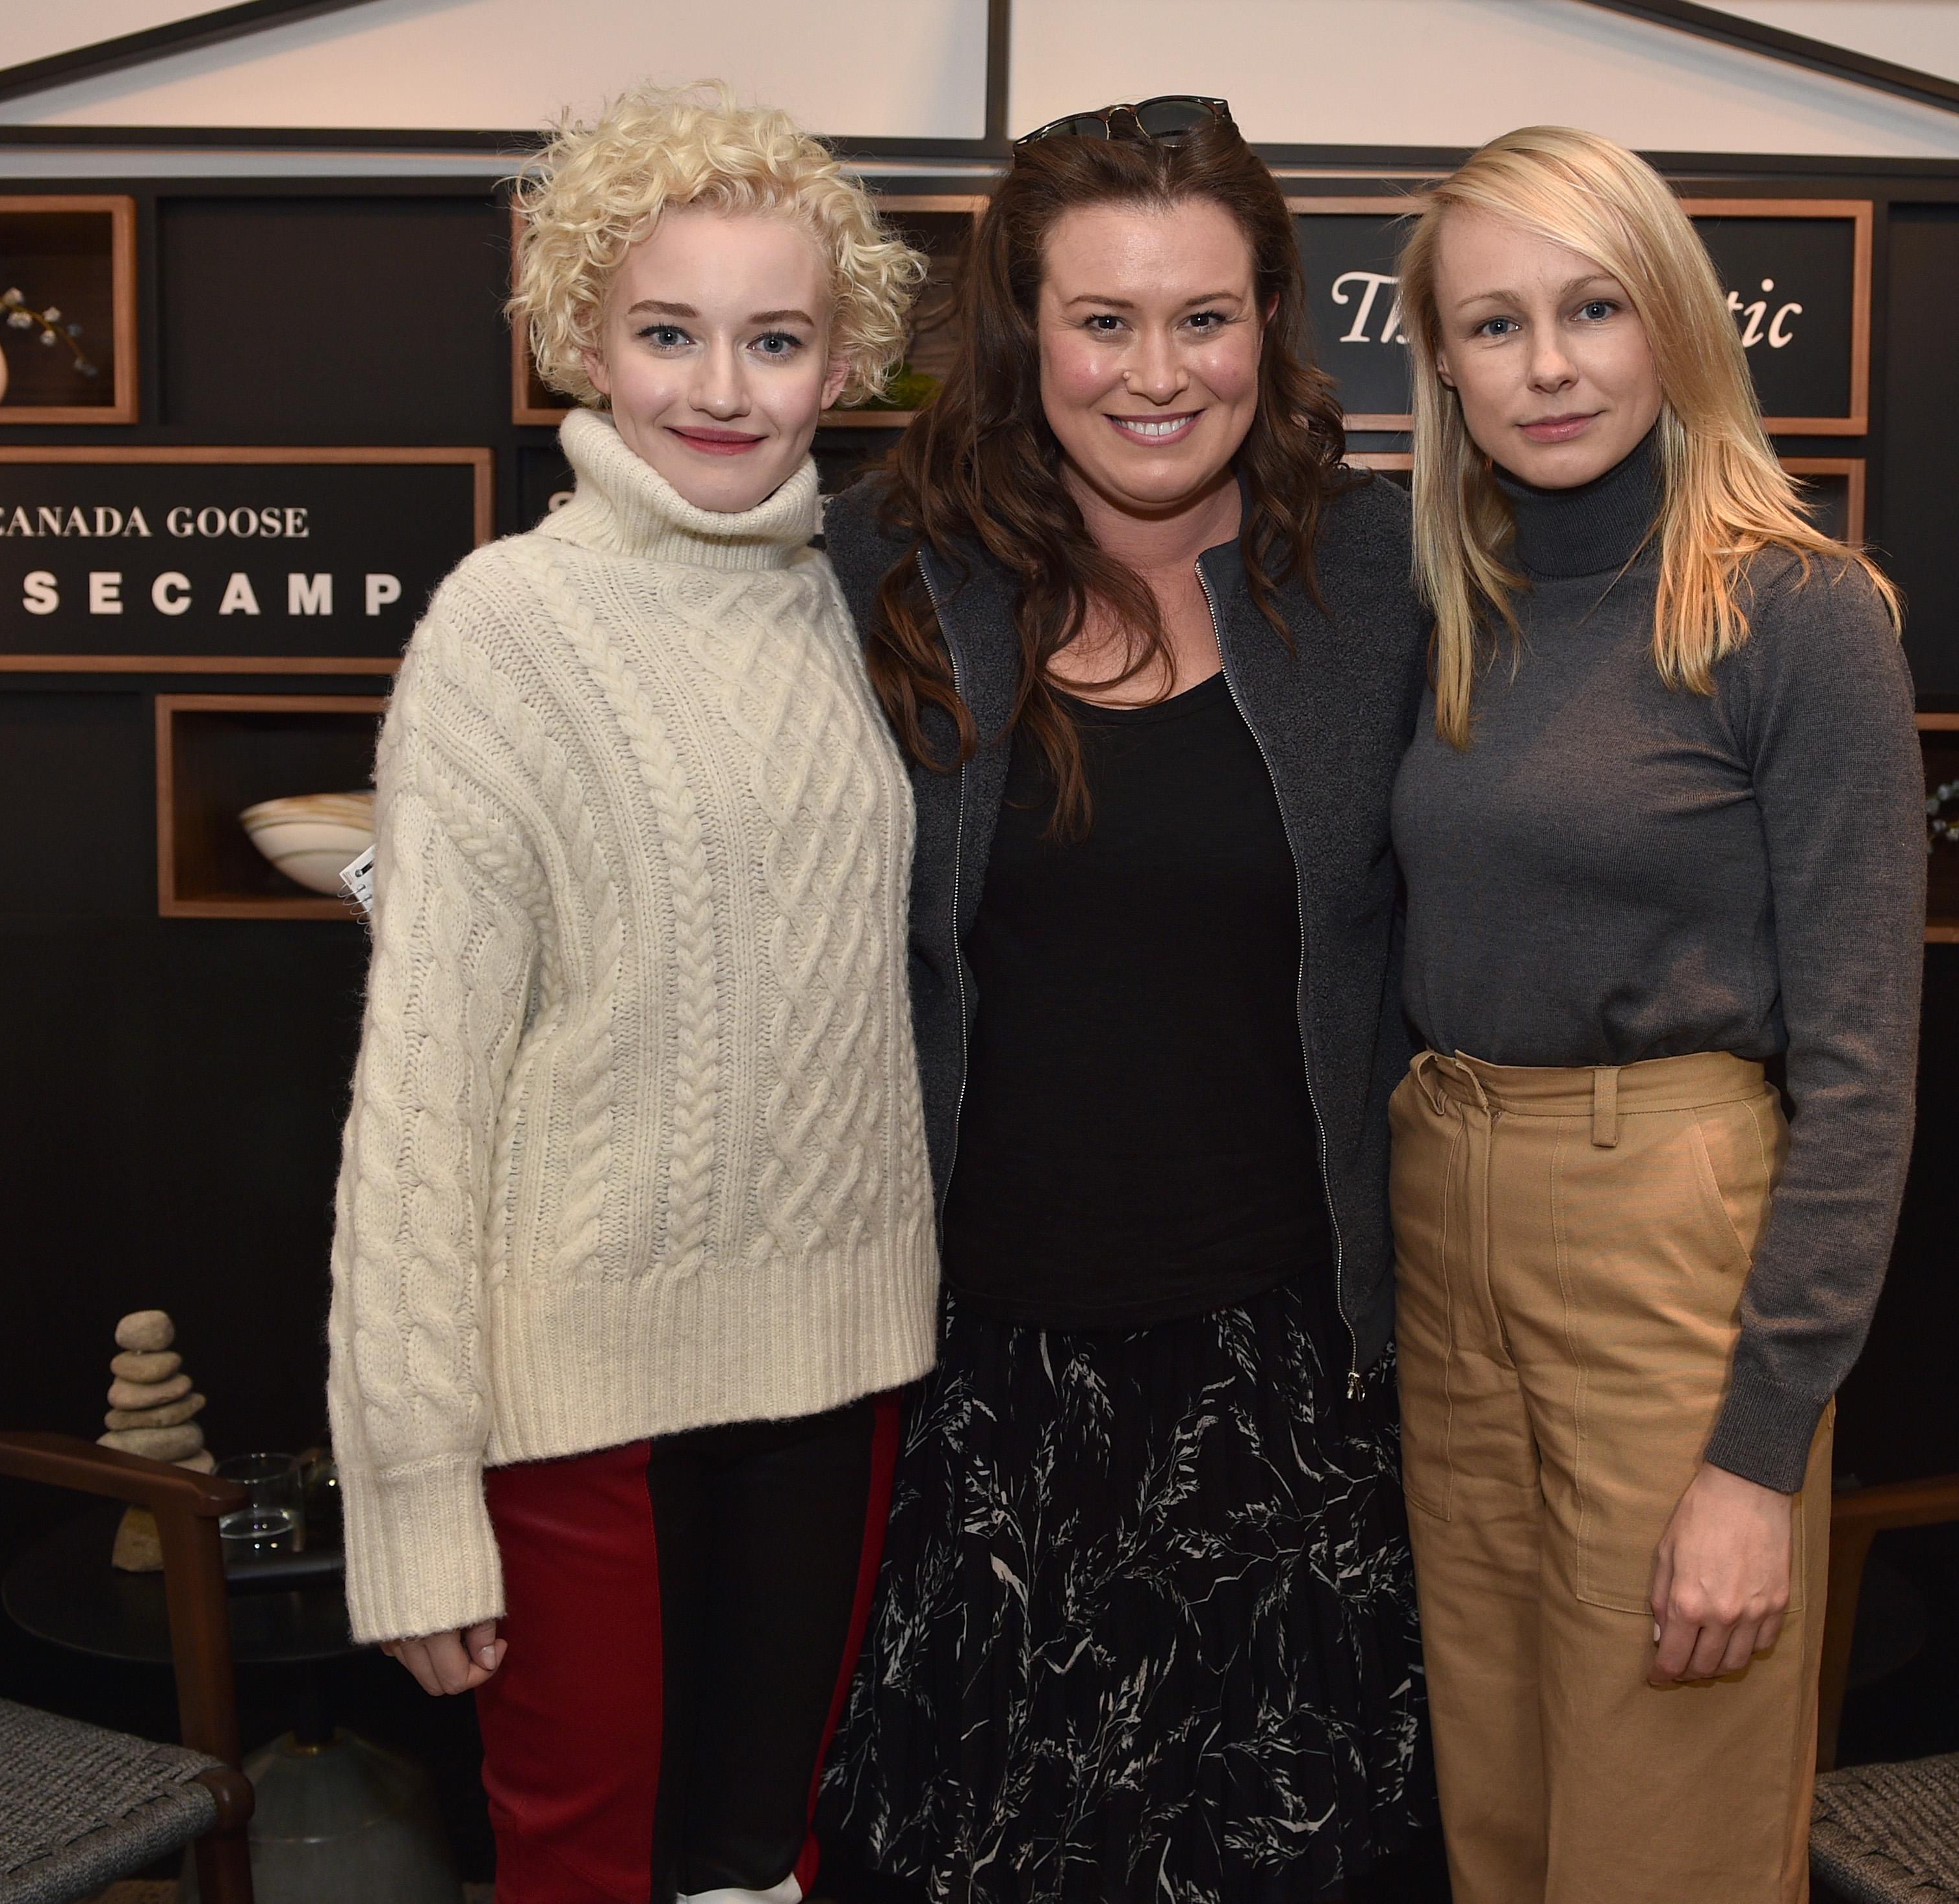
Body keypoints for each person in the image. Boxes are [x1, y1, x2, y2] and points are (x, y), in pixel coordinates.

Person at [323, 85, 934, 1904]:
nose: (719, 389)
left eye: (774, 338)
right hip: (574, 1401)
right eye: (667, 333)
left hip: (844, 1374)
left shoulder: (881, 612)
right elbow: (420, 1098)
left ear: (844, 366)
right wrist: (411, 1498)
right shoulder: (506, 626)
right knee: (579, 1869)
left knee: (771, 1863)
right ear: (582, 338)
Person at [818, 96, 1430, 1904]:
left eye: (1203, 316)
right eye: (1103, 320)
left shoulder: (1386, 572)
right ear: (1024, 330)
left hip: (1294, 1387)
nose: (1154, 372)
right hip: (973, 1393)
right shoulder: (877, 569)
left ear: (1271, 323)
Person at [1385, 125, 1924, 1904]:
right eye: (1490, 324)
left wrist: (1752, 1463)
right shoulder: (1470, 603)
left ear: (1673, 318)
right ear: (1443, 367)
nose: (1544, 366)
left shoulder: (1796, 612)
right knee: (1502, 1804)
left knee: (1661, 1823)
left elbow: (1860, 1076)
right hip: (1447, 1213)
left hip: (1666, 1234)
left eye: (1590, 307)